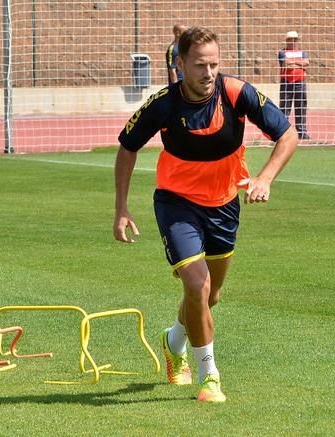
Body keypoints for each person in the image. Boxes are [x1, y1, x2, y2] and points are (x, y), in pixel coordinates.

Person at [114, 26, 298, 403]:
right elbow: (127, 147)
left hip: (224, 205)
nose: (209, 72)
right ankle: (208, 375)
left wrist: (265, 177)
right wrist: (121, 207)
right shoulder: (163, 104)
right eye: (199, 65)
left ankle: (173, 340)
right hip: (176, 203)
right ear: (180, 64)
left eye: (214, 63)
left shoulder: (236, 93)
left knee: (210, 296)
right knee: (196, 285)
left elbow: (287, 134)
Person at [278, 30, 310, 140]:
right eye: (290, 39)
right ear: (287, 41)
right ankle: (283, 132)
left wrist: (292, 62)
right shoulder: (282, 52)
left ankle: (301, 132)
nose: (292, 41)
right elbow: (286, 65)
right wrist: (299, 63)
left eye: (294, 39)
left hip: (300, 82)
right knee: (285, 107)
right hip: (286, 82)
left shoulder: (302, 52)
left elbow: (307, 63)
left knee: (300, 106)